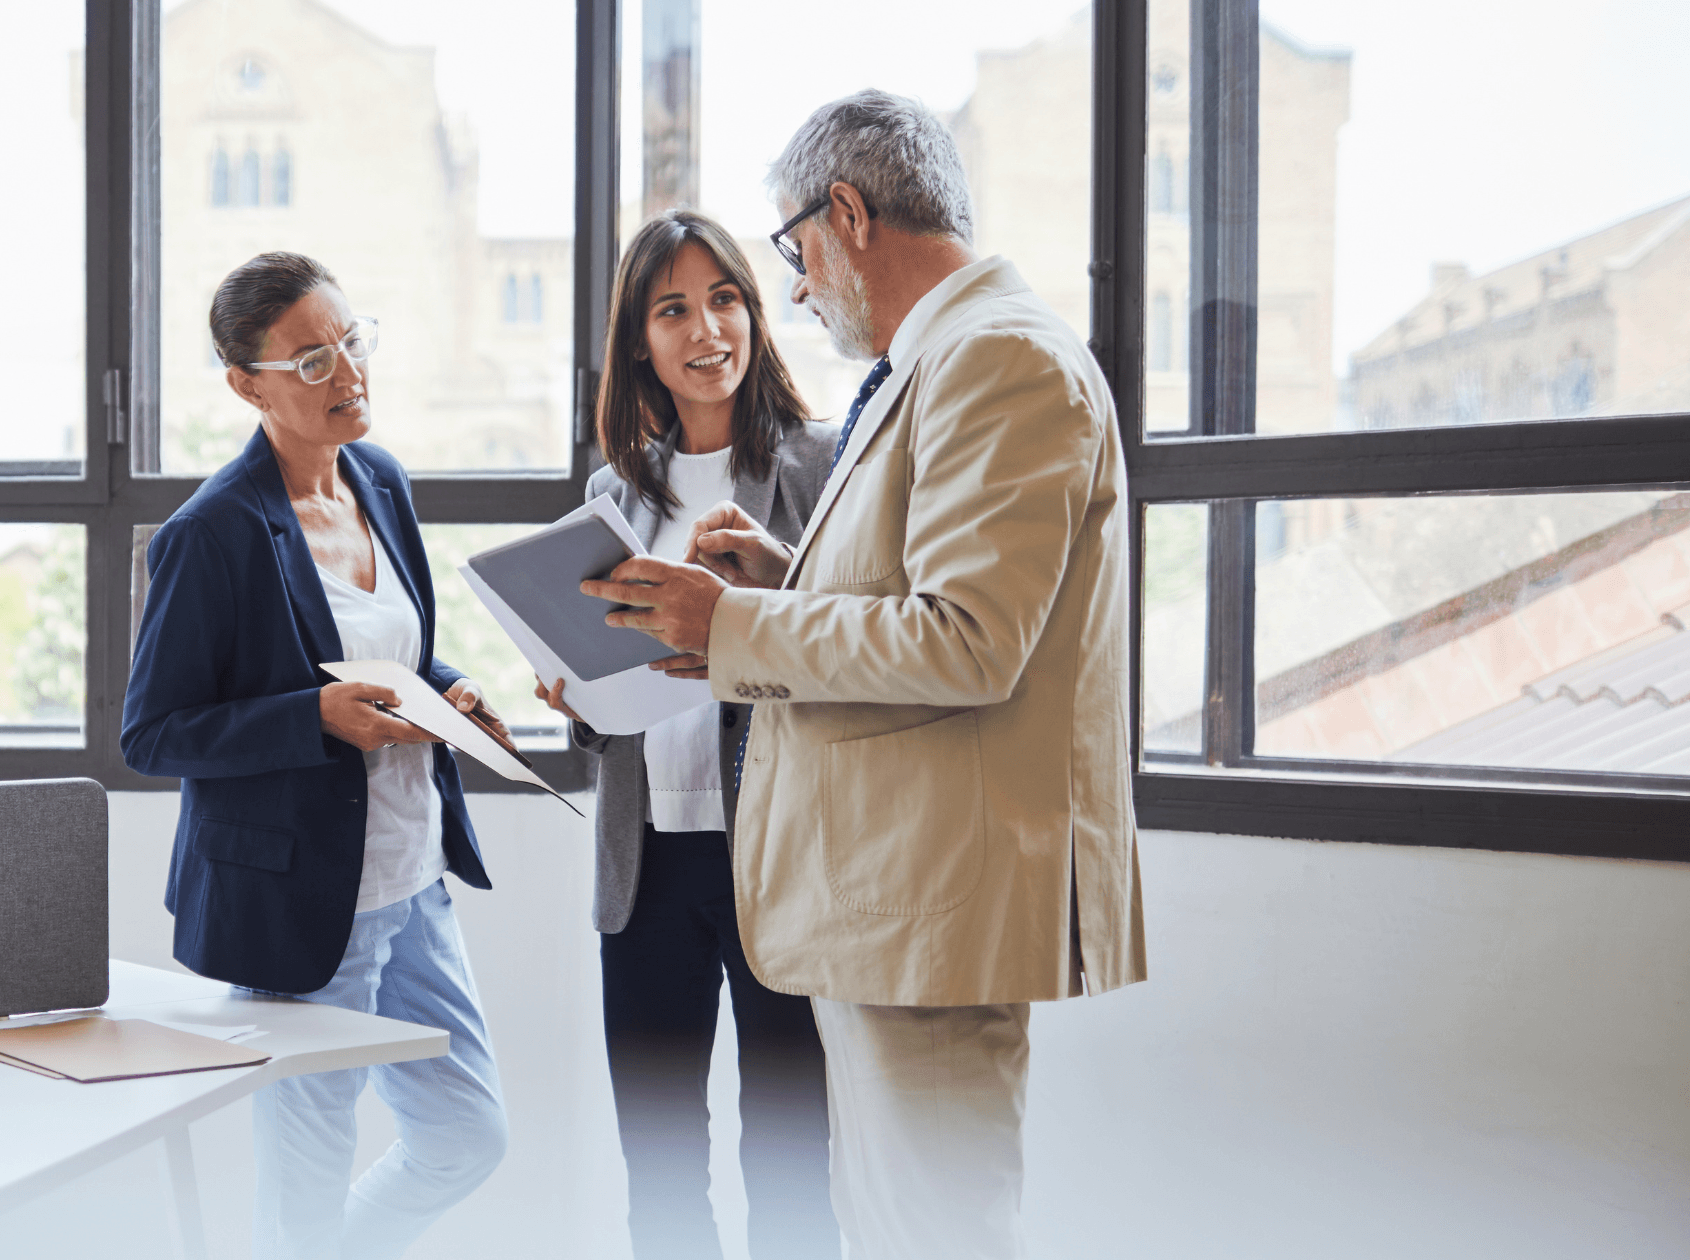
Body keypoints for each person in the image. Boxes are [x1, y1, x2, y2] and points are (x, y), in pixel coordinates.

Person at [579, 90, 1148, 1257]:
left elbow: (968, 642)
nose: (793, 289)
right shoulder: (940, 359)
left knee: (925, 1229)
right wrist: (786, 578)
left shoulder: (993, 359)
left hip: (928, 895)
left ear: (845, 215)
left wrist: (732, 623)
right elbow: (931, 601)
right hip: (889, 895)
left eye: (786, 256)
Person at [122, 251, 513, 1260]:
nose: (344, 372)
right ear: (245, 385)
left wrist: (453, 690)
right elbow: (153, 733)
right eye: (308, 360)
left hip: (412, 876)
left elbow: (394, 649)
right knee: (300, 1186)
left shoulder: (379, 478)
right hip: (302, 906)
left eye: (349, 341)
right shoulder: (210, 534)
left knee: (467, 1133)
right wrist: (313, 718)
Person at [534, 209, 841, 1260]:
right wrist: (576, 697)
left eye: (724, 299)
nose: (705, 328)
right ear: (639, 343)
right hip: (646, 864)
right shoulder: (610, 496)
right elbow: (610, 700)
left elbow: (853, 647)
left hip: (780, 860)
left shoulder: (819, 467)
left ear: (755, 314)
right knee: (659, 1160)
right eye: (673, 308)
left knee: (793, 1160)